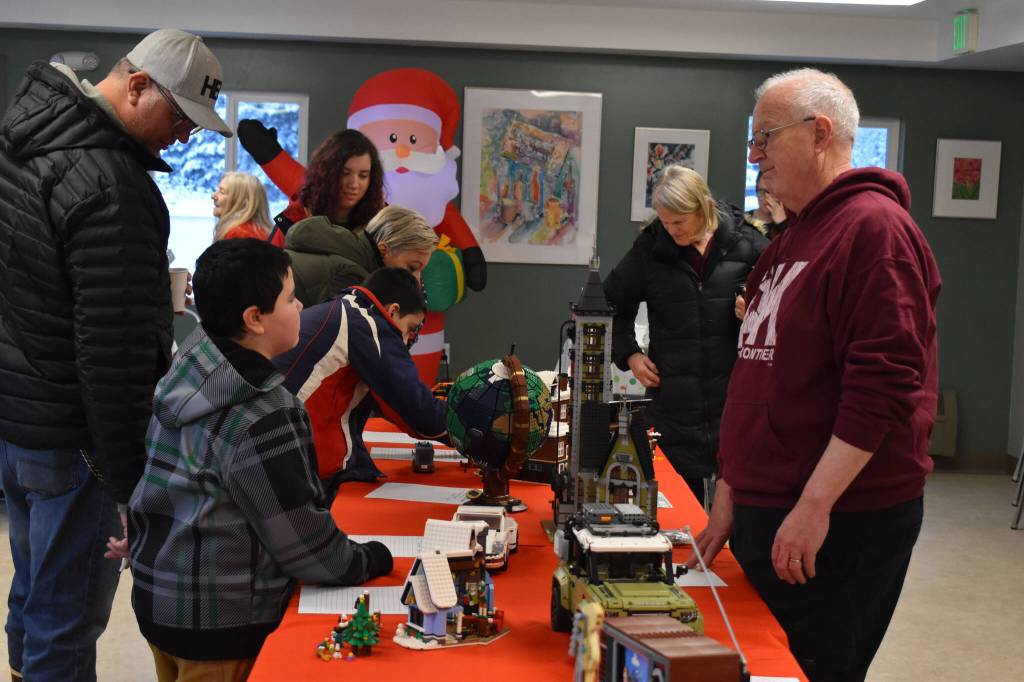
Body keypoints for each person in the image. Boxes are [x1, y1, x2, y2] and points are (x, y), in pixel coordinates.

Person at [689, 68, 941, 682]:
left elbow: (884, 381)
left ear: (819, 132)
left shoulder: (874, 229)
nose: (753, 159)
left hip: (839, 520)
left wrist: (814, 506)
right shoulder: (795, 234)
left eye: (764, 139)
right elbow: (755, 374)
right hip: (770, 504)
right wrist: (729, 497)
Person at [0, 28, 232, 682]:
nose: (183, 136)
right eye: (181, 117)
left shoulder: (21, 143)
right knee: (65, 615)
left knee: (35, 592)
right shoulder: (113, 186)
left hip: (21, 428)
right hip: (80, 442)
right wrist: (132, 482)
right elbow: (117, 353)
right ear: (136, 86)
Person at [129, 239, 393, 682]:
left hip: (161, 598)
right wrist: (369, 559)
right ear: (255, 319)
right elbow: (303, 544)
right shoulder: (262, 411)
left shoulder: (190, 367)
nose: (300, 305)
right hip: (221, 622)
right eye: (289, 298)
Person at [604, 165, 767, 508]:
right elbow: (608, 304)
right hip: (671, 409)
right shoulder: (651, 250)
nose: (672, 230)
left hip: (736, 405)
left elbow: (788, 299)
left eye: (679, 222)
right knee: (678, 521)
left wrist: (755, 306)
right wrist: (630, 354)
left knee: (738, 530)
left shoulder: (747, 241)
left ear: (703, 208)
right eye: (665, 222)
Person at [274, 267, 447, 494]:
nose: (406, 340)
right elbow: (416, 409)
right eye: (410, 329)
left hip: (276, 447)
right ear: (392, 311)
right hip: (294, 460)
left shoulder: (343, 307)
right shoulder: (366, 323)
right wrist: (474, 431)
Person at [288, 202, 439, 308]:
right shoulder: (353, 277)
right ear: (383, 249)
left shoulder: (344, 253)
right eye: (412, 267)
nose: (416, 279)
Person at [212, 171, 284, 246]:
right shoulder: (258, 233)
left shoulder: (239, 236)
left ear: (243, 203)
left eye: (222, 192)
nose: (213, 195)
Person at [746, 169, 789, 239]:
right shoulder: (744, 220)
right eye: (762, 191)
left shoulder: (789, 225)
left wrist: (782, 224)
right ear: (756, 191)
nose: (767, 198)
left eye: (773, 192)